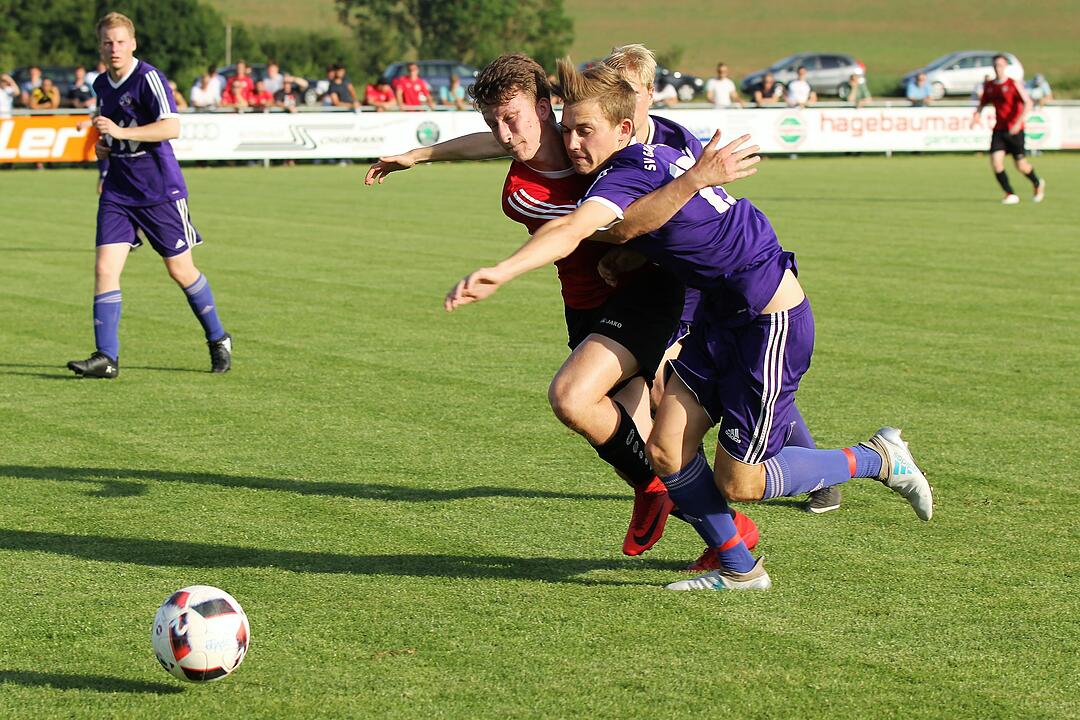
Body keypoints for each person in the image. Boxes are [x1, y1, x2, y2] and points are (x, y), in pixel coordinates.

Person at [444, 58, 934, 591]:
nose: (575, 143)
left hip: (766, 321)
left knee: (742, 481)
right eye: (568, 130)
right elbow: (652, 222)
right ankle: (739, 568)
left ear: (624, 127)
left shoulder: (627, 171)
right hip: (713, 318)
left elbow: (578, 226)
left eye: (585, 131)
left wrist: (503, 270)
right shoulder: (665, 138)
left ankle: (877, 459)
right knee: (665, 449)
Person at [367, 53, 764, 560]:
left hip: (645, 295)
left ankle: (675, 497)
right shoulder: (522, 193)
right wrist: (420, 156)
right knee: (641, 446)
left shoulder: (596, 140)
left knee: (577, 400)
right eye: (495, 123)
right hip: (587, 306)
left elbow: (627, 182)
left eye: (513, 118)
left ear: (545, 106)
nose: (506, 135)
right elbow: (575, 223)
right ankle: (731, 537)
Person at [67, 12, 232, 378]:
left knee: (180, 270)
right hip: (118, 192)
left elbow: (172, 126)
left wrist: (122, 135)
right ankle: (106, 358)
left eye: (121, 41)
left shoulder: (148, 78)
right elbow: (111, 129)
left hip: (159, 189)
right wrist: (104, 148)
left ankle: (218, 337)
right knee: (104, 268)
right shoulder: (101, 84)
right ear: (100, 46)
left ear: (133, 43)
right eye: (108, 42)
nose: (115, 48)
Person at [972, 54, 1045, 205]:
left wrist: (1018, 123)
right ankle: (1010, 193)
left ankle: (1037, 183)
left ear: (1005, 66)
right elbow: (983, 102)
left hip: (1015, 131)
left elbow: (1028, 103)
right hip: (999, 130)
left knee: (1021, 165)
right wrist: (977, 115)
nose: (997, 68)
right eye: (995, 65)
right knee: (996, 162)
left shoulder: (1014, 84)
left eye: (1000, 65)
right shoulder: (990, 86)